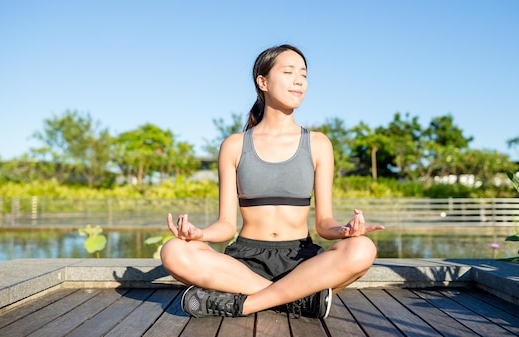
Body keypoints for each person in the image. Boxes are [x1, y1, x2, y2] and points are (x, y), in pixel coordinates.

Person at [160, 44, 384, 319]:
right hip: (245, 261)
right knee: (173, 251)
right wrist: (200, 235)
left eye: (303, 74)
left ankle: (246, 304)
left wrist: (344, 230)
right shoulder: (234, 145)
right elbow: (226, 225)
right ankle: (297, 299)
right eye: (289, 72)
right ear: (262, 81)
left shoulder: (318, 144)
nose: (299, 80)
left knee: (362, 249)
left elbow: (324, 223)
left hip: (301, 259)